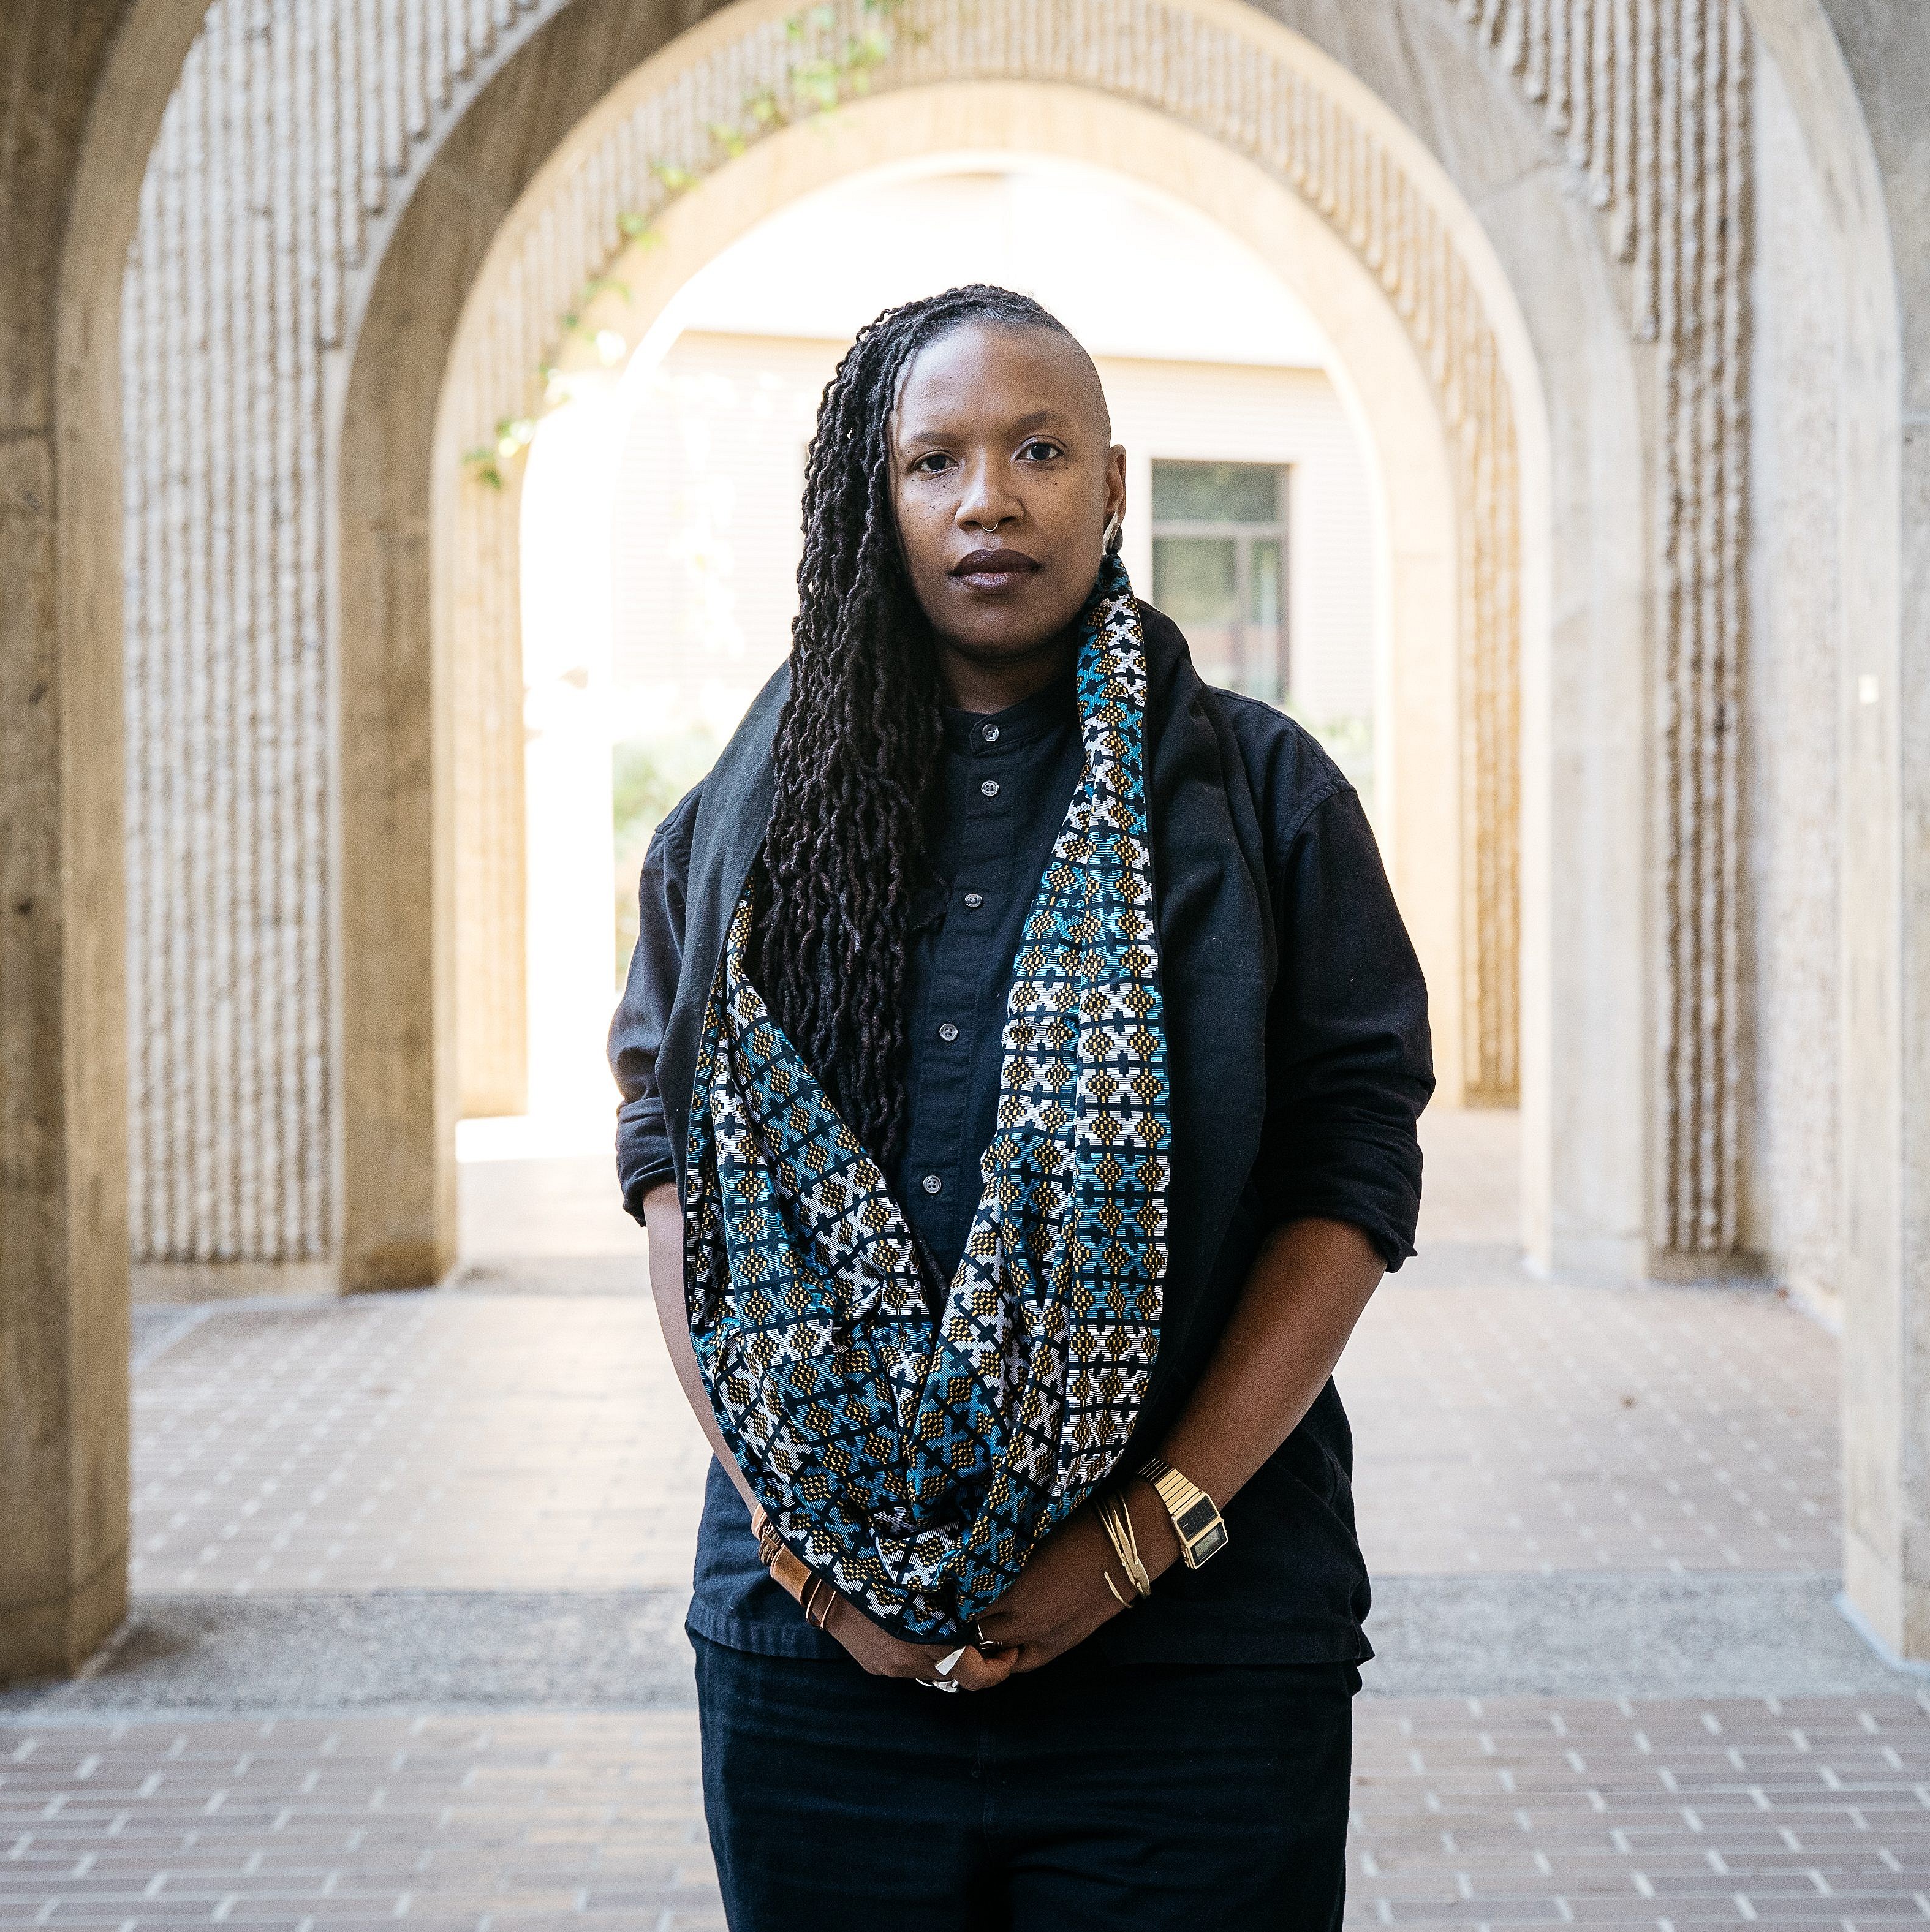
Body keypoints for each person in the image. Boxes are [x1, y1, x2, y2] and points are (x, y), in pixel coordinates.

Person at [608, 284, 1434, 1931]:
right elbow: (671, 1164)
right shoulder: (741, 822)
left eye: (1039, 449)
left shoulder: (1268, 797)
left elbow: (1350, 1170)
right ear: (880, 497)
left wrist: (1136, 1538)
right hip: (815, 1674)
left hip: (1194, 1661)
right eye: (936, 460)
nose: (991, 497)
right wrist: (805, 1556)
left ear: (1113, 486)